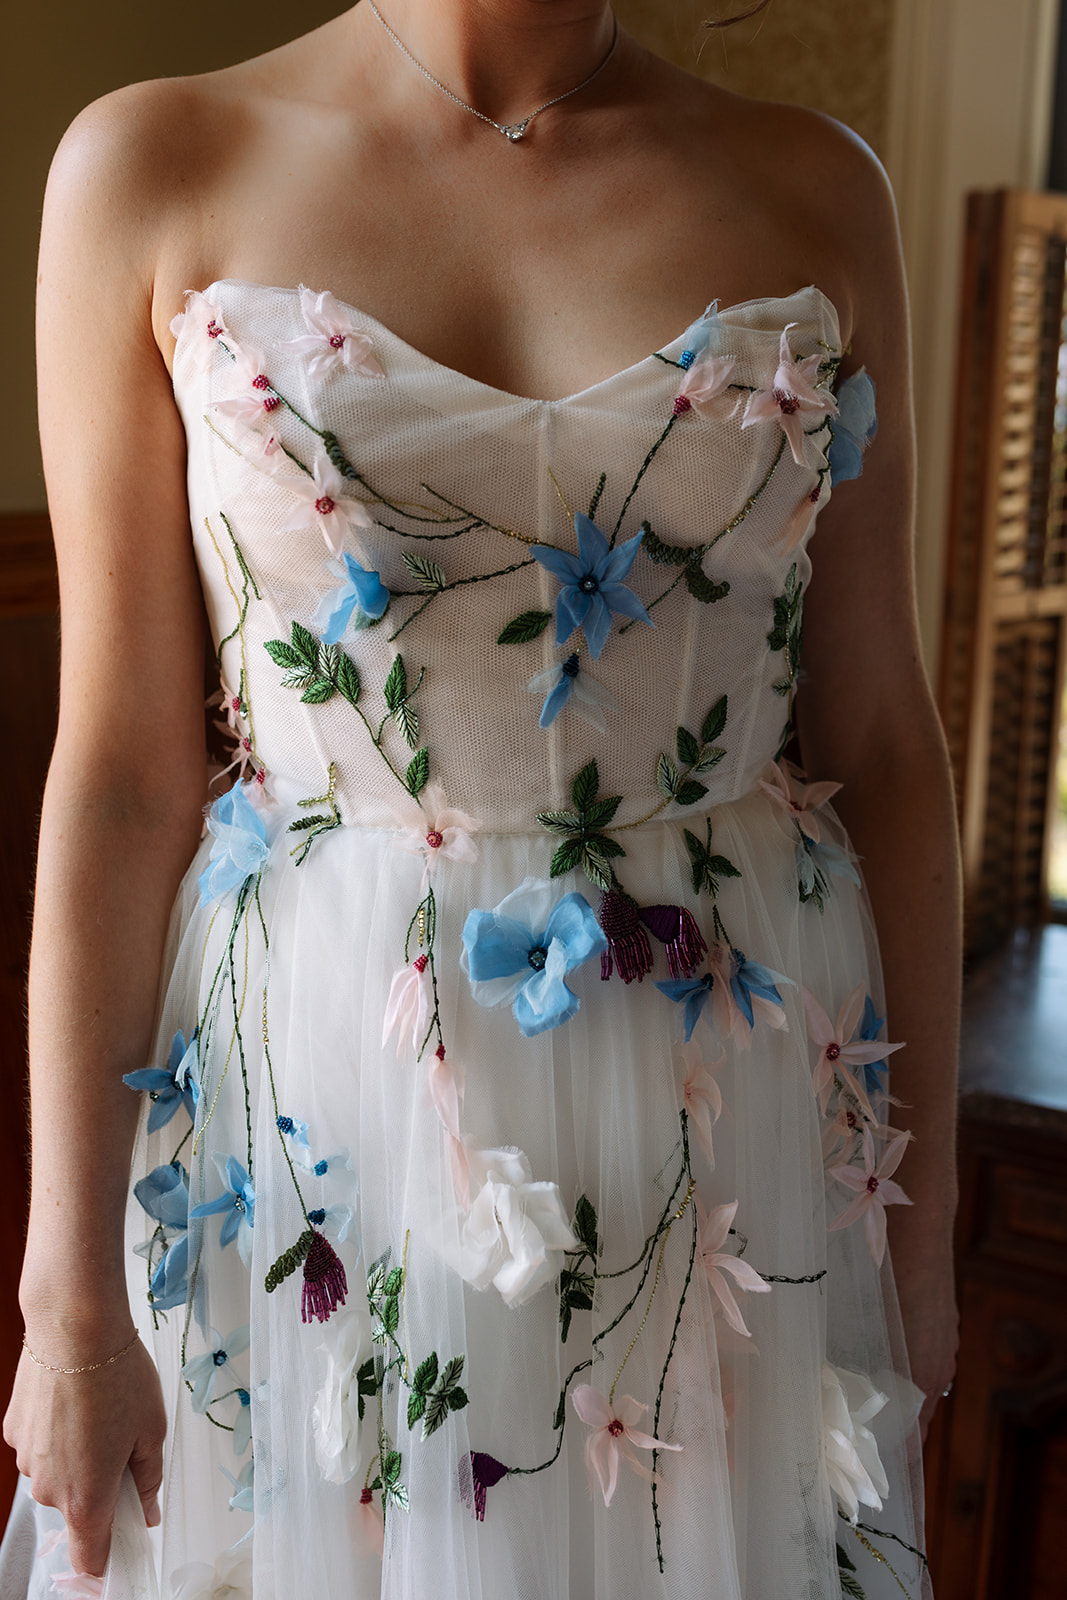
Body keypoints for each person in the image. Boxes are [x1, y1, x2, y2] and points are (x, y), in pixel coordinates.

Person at [3, 1, 960, 1595]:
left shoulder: (820, 186)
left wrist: (916, 1236)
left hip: (726, 1142)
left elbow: (888, 741)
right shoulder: (153, 165)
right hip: (317, 1125)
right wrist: (69, 1300)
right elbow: (117, 775)